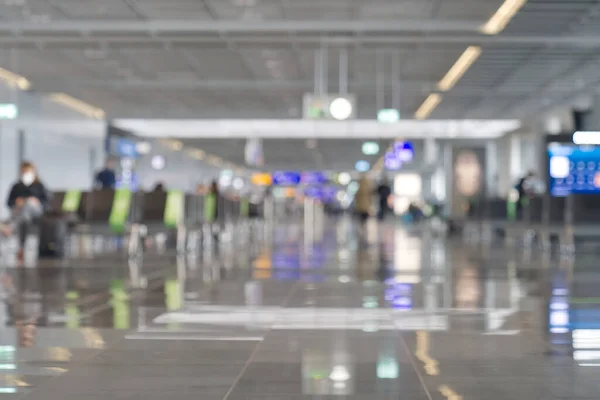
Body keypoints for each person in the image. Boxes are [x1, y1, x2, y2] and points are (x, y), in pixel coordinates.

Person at [1, 162, 50, 260]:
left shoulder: (39, 186)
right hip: (20, 212)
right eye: (24, 171)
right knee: (24, 214)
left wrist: (36, 201)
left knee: (28, 204)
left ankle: (9, 228)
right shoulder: (16, 186)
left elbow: (46, 203)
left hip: (36, 211)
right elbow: (9, 203)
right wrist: (16, 201)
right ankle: (19, 246)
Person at [355, 174, 373, 243]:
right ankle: (364, 227)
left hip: (360, 207)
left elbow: (356, 198)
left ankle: (362, 227)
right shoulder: (368, 189)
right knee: (364, 217)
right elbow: (370, 198)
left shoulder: (359, 189)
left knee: (361, 218)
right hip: (366, 207)